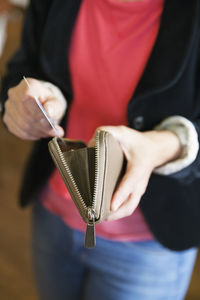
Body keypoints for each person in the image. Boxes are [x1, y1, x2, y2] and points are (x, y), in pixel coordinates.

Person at [1, 0, 200, 299]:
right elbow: (23, 70)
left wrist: (165, 145)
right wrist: (31, 102)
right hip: (53, 209)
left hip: (147, 243)